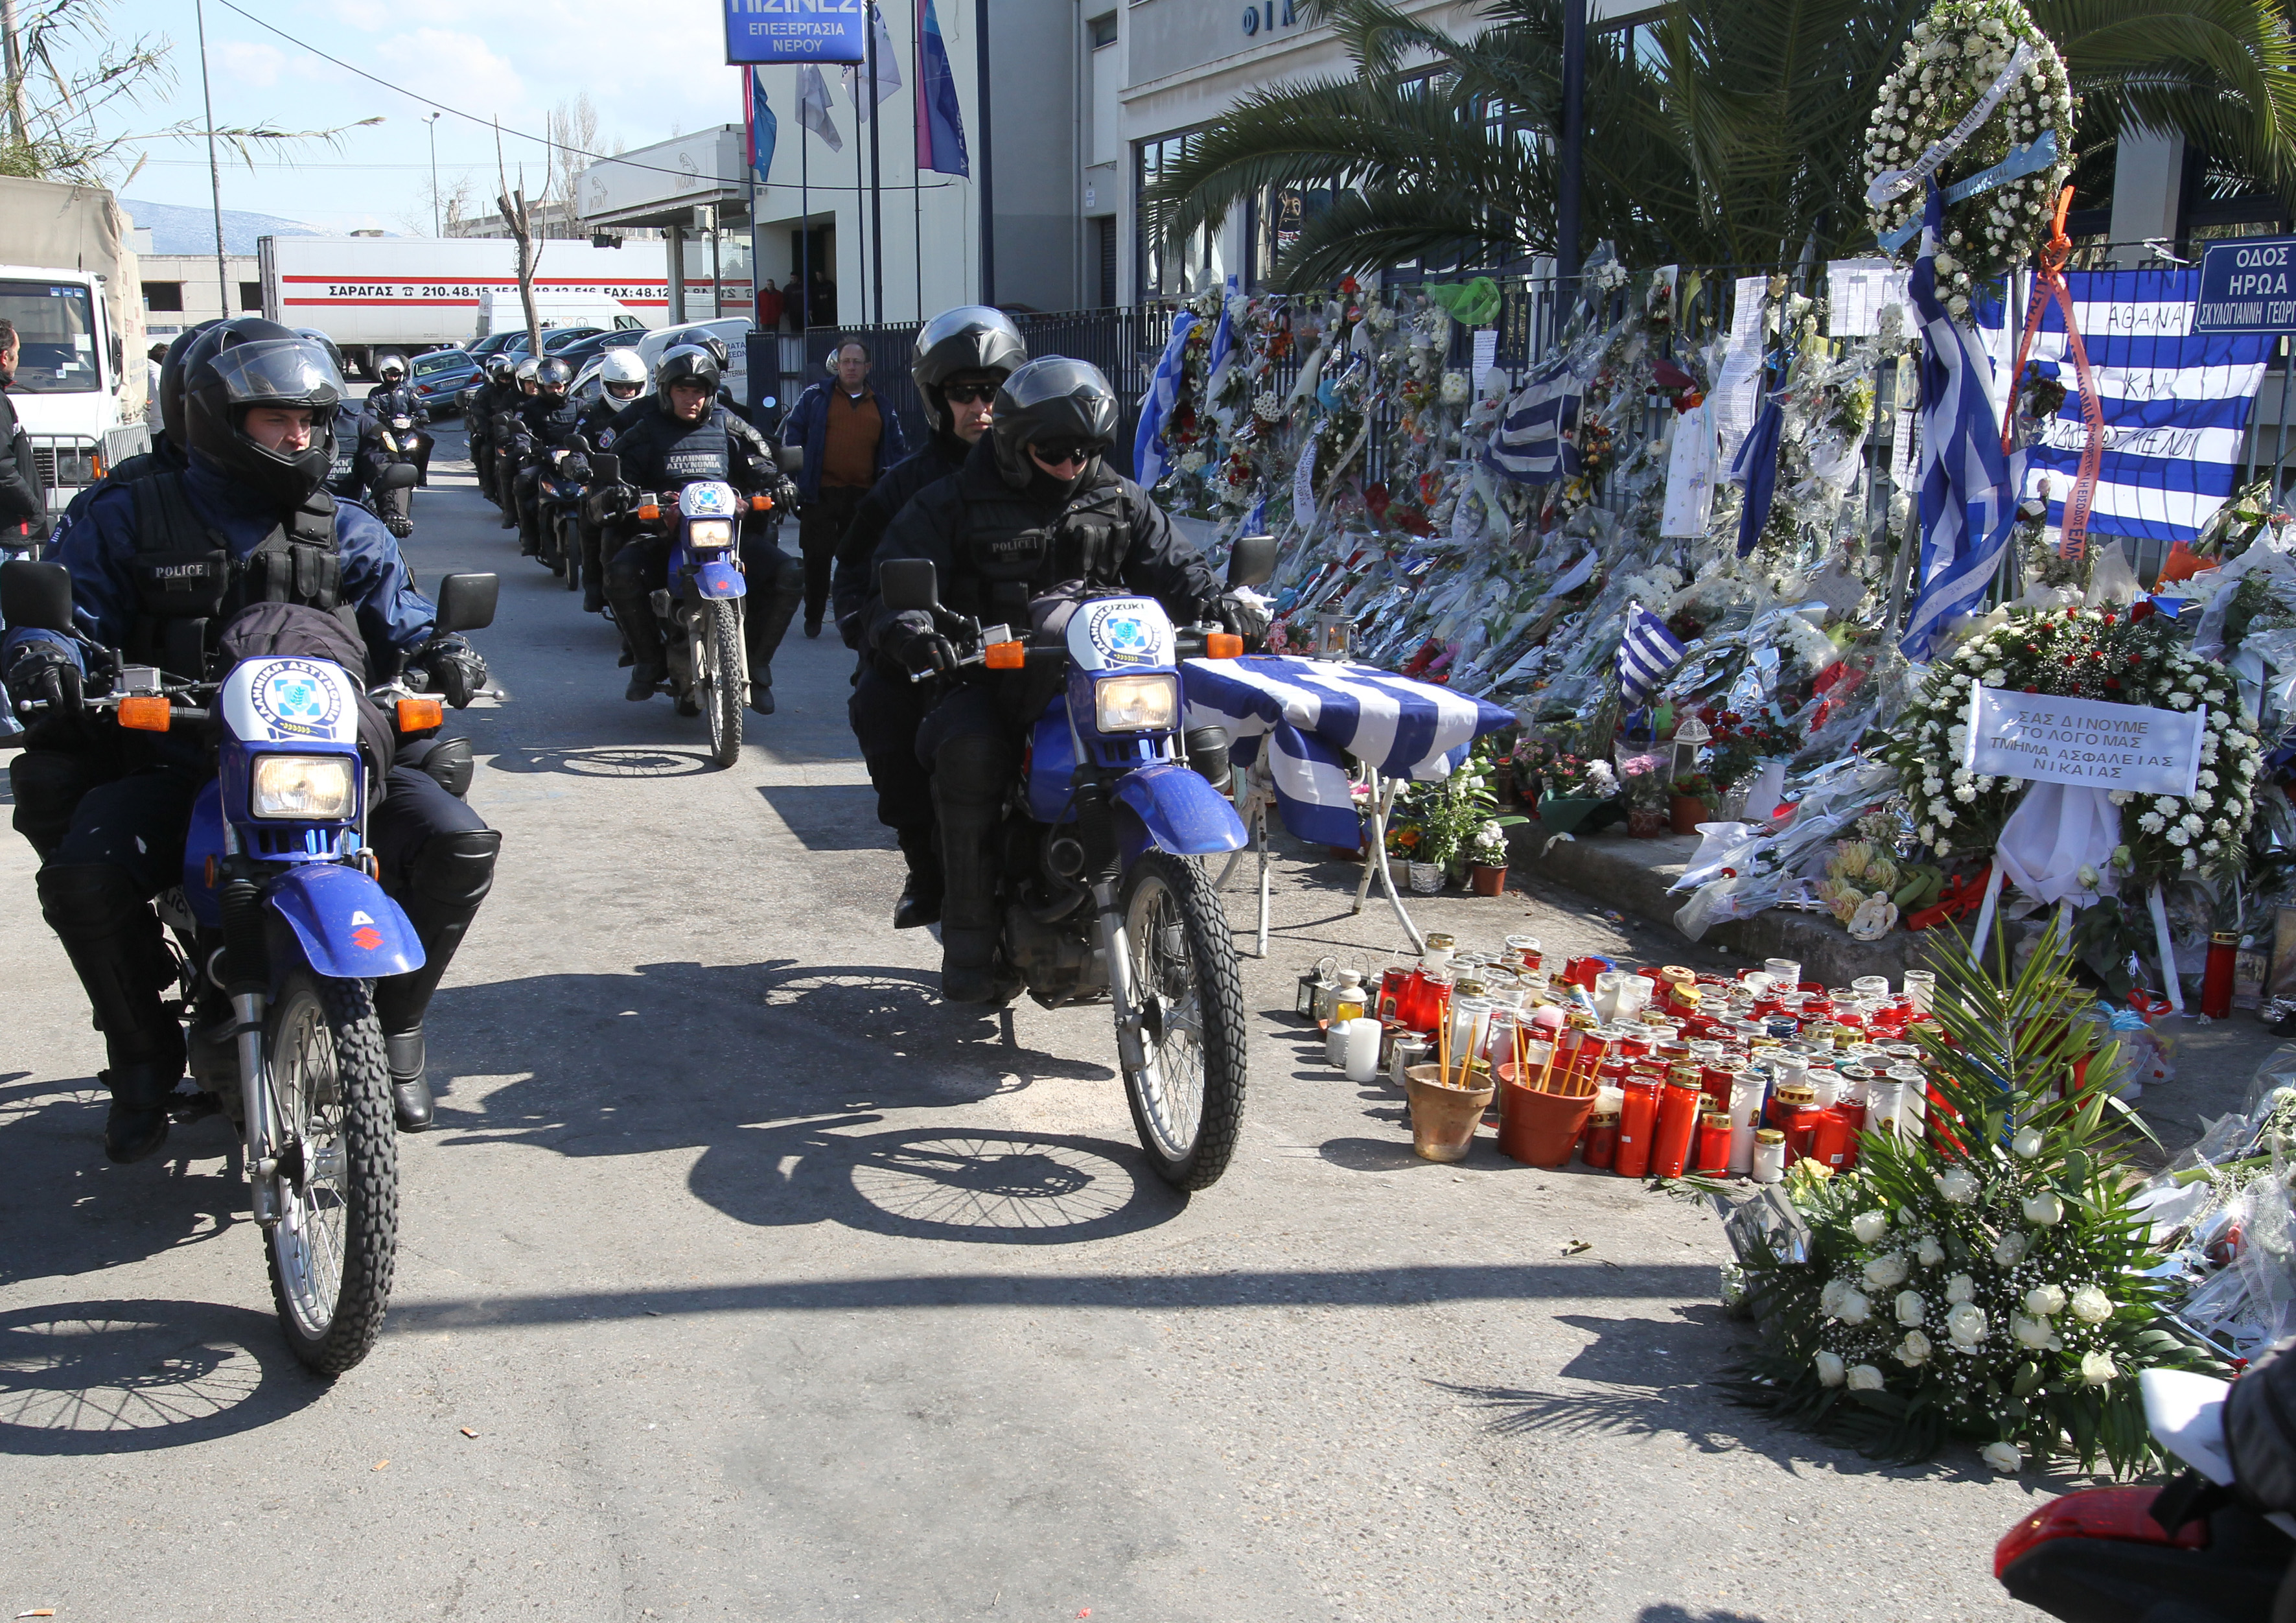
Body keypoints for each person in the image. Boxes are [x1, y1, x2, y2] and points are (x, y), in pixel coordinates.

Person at [1, 318, 498, 1158]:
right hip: (181, 761)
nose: (297, 435)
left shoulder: (345, 525)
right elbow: (68, 616)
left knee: (459, 843)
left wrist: (443, 648)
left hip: (321, 763)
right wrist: (42, 656)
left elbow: (404, 619)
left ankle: (399, 1023)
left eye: (308, 418)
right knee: (85, 876)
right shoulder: (130, 515)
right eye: (275, 418)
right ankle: (141, 1051)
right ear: (215, 418)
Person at [864, 357, 1265, 1003]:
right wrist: (914, 628)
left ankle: (1174, 915)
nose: (1072, 461)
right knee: (968, 753)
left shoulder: (1120, 497)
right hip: (999, 680)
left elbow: (1175, 564)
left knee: (1204, 740)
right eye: (1054, 448)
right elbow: (895, 576)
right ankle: (969, 942)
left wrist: (1221, 604)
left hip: (1107, 677)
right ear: (1015, 443)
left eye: (1085, 447)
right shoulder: (954, 499)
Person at [833, 307, 1025, 931]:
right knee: (879, 708)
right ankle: (925, 866)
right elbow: (859, 577)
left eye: (992, 392)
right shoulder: (904, 486)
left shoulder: (1054, 470)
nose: (979, 408)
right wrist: (886, 636)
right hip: (936, 658)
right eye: (961, 394)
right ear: (936, 400)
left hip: (1037, 653)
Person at [598, 346, 803, 712]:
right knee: (621, 573)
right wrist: (617, 490)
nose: (691, 399)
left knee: (790, 573)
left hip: (727, 535)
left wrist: (779, 483)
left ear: (710, 393)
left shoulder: (730, 424)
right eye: (682, 391)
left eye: (699, 391)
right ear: (666, 392)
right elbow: (618, 472)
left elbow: (762, 460)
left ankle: (756, 664)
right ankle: (648, 662)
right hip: (665, 533)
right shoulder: (645, 429)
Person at [782, 340, 908, 638]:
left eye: (857, 362)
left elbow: (897, 450)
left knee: (860, 561)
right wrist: (793, 477)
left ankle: (856, 617)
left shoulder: (882, 406)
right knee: (817, 558)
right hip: (821, 493)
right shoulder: (815, 397)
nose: (851, 367)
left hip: (863, 496)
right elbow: (792, 435)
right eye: (846, 361)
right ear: (837, 365)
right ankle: (813, 617)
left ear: (868, 368)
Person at [571, 348, 649, 611]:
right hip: (608, 486)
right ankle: (595, 588)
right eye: (620, 388)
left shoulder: (652, 412)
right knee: (593, 524)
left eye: (632, 388)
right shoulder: (592, 415)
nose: (626, 393)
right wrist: (580, 468)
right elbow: (577, 451)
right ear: (606, 385)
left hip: (649, 487)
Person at [509, 356, 581, 556]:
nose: (556, 391)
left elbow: (590, 429)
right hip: (545, 461)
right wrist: (523, 445)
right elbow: (522, 431)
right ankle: (529, 537)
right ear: (542, 387)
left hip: (576, 461)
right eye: (551, 387)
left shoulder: (581, 406)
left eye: (559, 386)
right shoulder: (530, 408)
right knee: (523, 481)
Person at [0, 318, 50, 554]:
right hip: (6, 531)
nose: (18, 359)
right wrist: (32, 505)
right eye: (16, 353)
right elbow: (2, 470)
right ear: (4, 358)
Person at [468, 355, 520, 502]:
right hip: (493, 432)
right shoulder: (486, 393)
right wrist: (484, 427)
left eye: (508, 379)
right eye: (502, 379)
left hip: (517, 432)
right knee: (484, 448)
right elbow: (477, 411)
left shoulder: (517, 394)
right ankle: (487, 484)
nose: (505, 382)